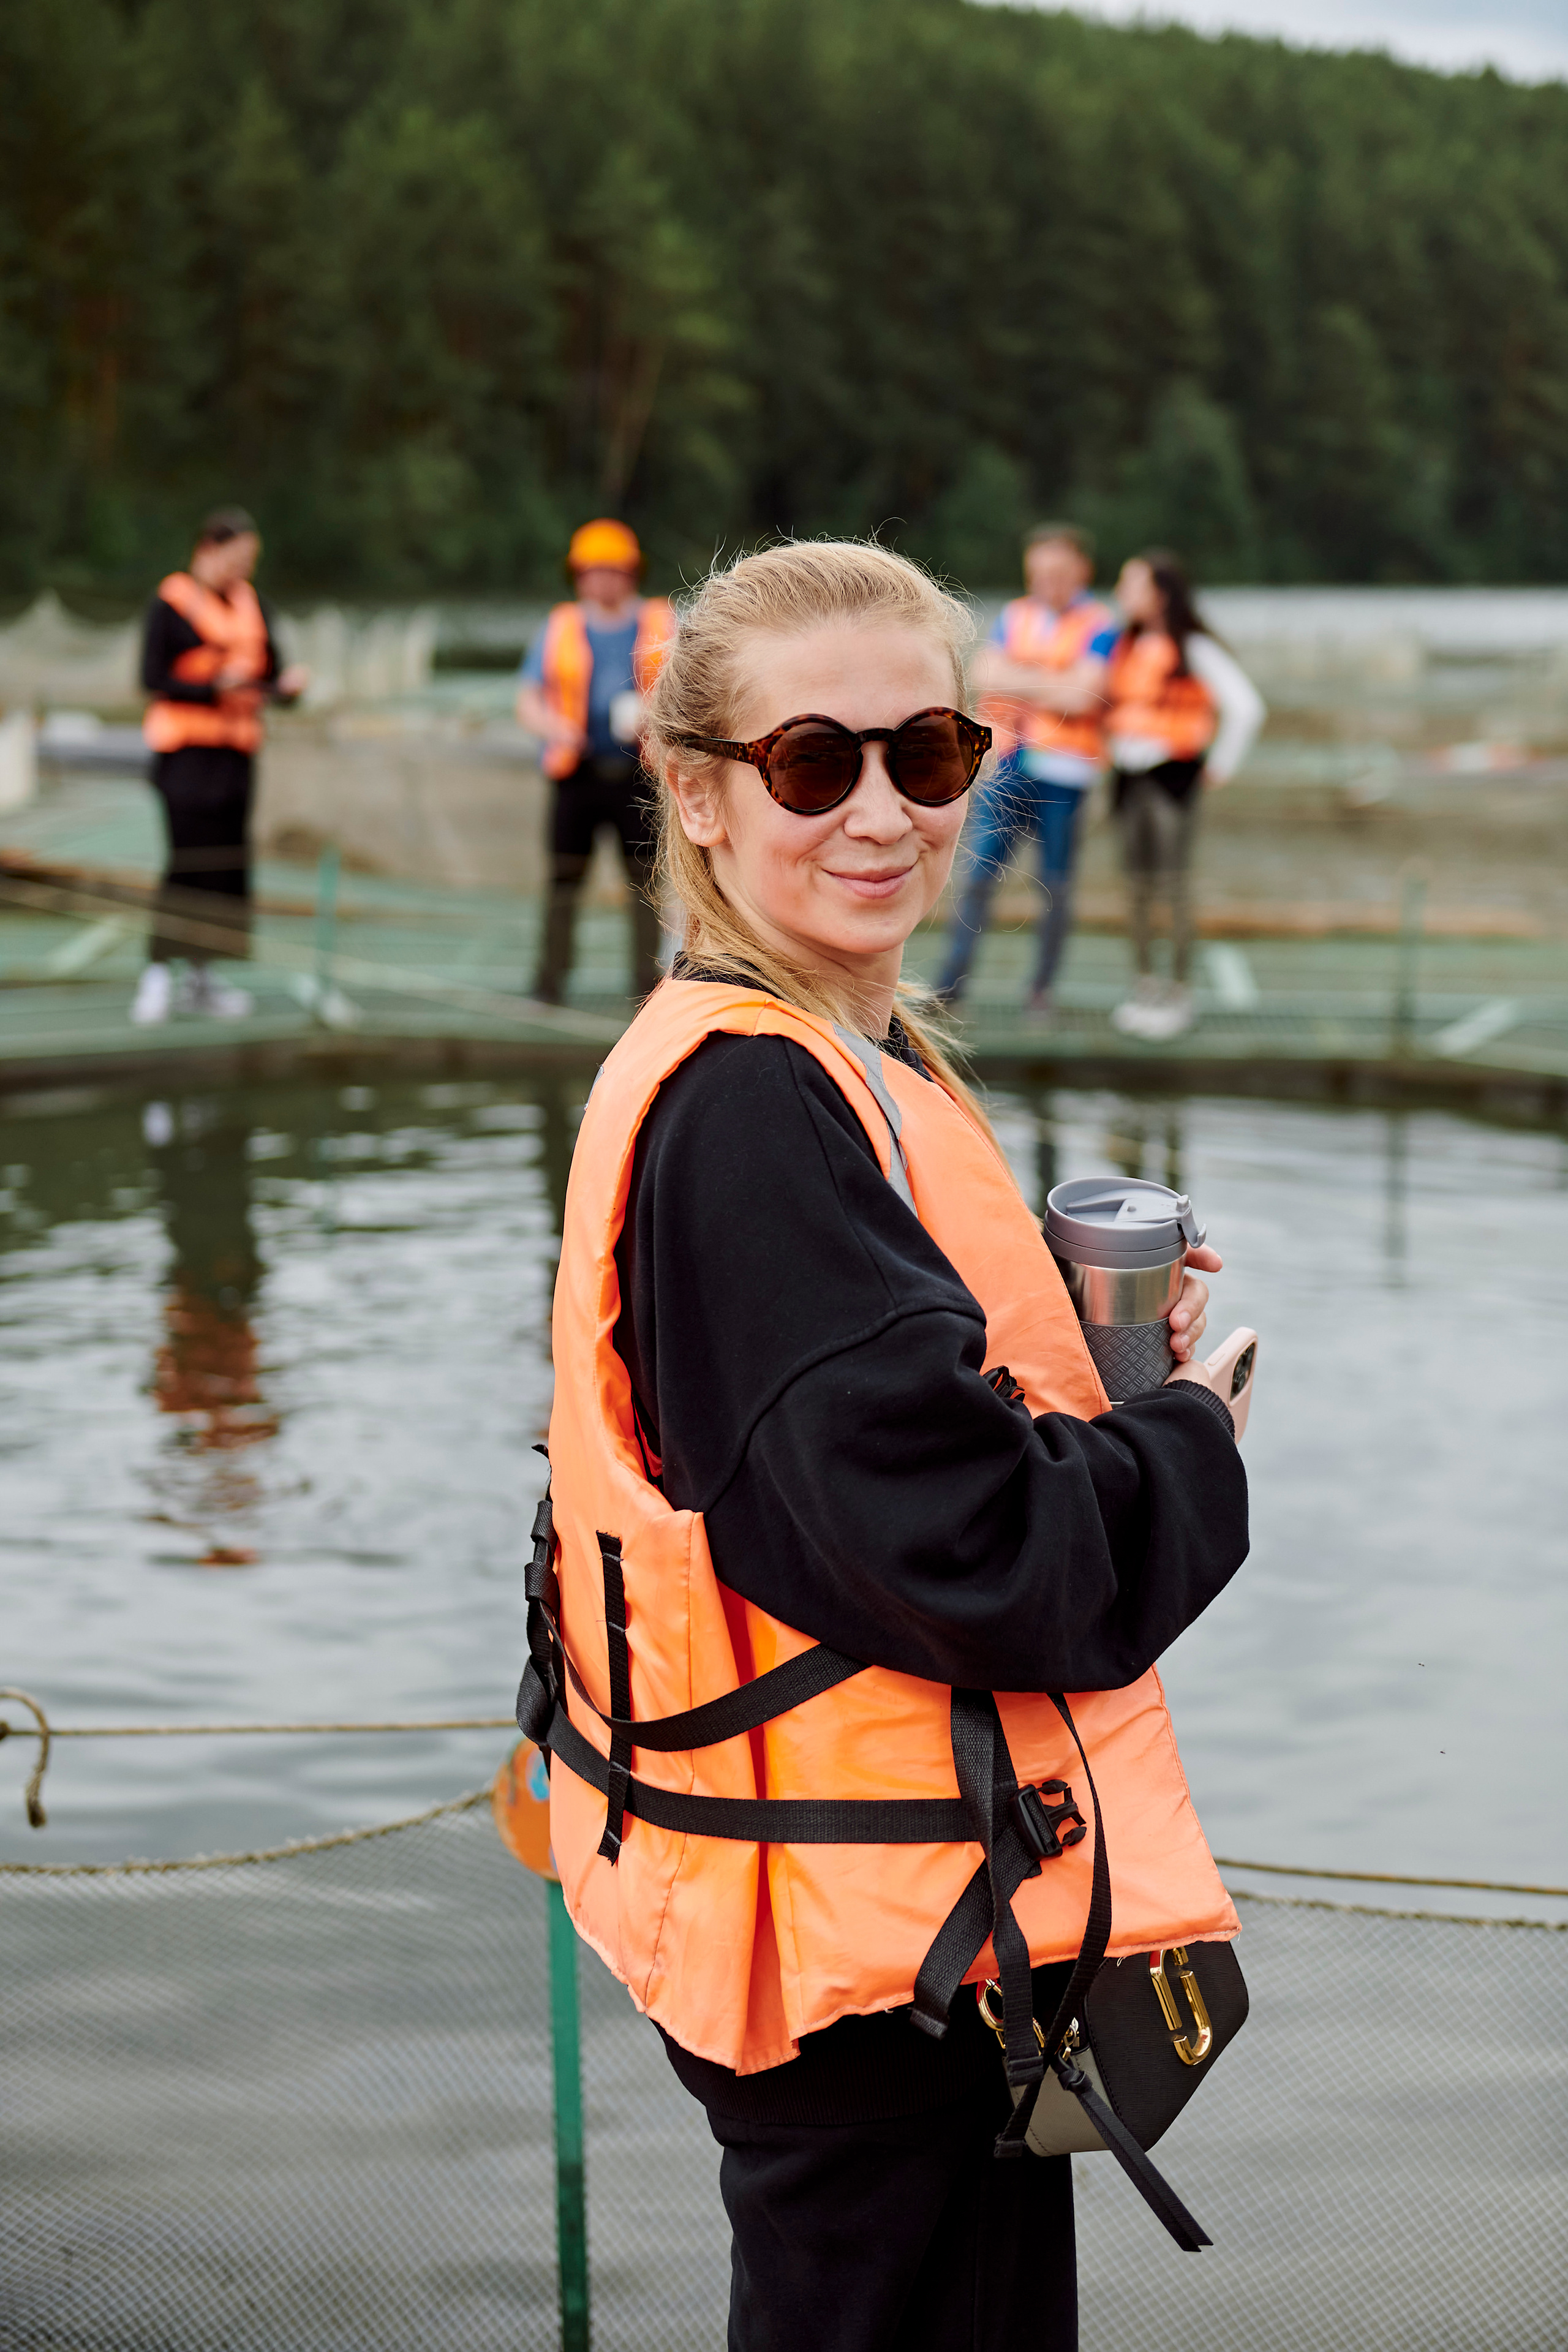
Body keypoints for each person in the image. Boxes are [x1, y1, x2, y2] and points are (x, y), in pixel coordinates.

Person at [521, 541, 1251, 2351]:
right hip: (873, 1983)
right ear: (694, 791)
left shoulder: (811, 1057)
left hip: (871, 1941)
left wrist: (1087, 1377)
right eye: (808, 761)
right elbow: (976, 1552)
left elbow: (839, 1457)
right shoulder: (758, 1107)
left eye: (924, 755)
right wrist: (1189, 1439)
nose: (877, 811)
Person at [131, 508, 307, 1025]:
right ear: (208, 549)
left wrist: (290, 688)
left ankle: (203, 976)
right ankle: (159, 973)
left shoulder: (256, 606)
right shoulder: (171, 605)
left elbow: (271, 676)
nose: (244, 569)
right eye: (238, 557)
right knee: (186, 862)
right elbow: (152, 677)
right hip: (186, 757)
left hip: (236, 757)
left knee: (226, 867)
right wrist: (211, 688)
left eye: (251, 560)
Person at [936, 523, 1117, 1016]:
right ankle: (950, 986)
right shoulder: (1016, 616)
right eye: (1039, 572)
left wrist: (1022, 678)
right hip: (1008, 762)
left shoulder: (1100, 624)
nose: (1047, 581)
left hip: (1065, 772)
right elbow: (983, 673)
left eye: (1058, 572)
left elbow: (1083, 696)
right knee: (977, 875)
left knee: (1055, 884)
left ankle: (1041, 991)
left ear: (1082, 570)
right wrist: (1052, 681)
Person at [1106, 550, 1264, 1042]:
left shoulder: (1194, 648)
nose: (1120, 595)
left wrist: (1221, 765)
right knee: (1135, 887)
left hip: (1173, 778)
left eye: (1130, 585)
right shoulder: (1126, 648)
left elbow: (1246, 707)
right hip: (1127, 779)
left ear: (1160, 594)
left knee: (1173, 886)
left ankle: (1178, 992)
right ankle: (1143, 986)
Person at [514, 520, 676, 1003]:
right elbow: (528, 698)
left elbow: (695, 687)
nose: (603, 581)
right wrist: (552, 727)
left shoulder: (662, 622)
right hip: (575, 774)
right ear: (579, 576)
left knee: (646, 884)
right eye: (593, 571)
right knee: (564, 879)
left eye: (614, 570)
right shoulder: (560, 625)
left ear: (632, 573)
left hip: (641, 774)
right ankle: (550, 983)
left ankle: (647, 990)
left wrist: (657, 714)